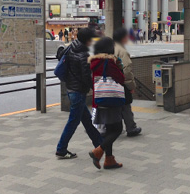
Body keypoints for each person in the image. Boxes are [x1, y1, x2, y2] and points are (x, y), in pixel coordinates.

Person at [56, 28, 103, 159]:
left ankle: (100, 144)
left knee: (87, 120)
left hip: (71, 89)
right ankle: (61, 149)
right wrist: (95, 89)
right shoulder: (83, 55)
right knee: (73, 122)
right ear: (87, 40)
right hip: (78, 92)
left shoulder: (72, 47)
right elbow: (86, 77)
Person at [88, 37, 125, 170]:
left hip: (100, 99)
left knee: (109, 129)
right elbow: (121, 78)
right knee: (118, 129)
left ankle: (109, 160)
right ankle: (98, 151)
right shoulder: (109, 62)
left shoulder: (94, 62)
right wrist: (120, 67)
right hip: (112, 100)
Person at [113, 28, 142, 137]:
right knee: (126, 106)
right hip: (121, 83)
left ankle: (116, 128)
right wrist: (131, 86)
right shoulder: (122, 51)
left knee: (115, 107)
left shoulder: (110, 48)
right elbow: (127, 70)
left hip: (110, 83)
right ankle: (131, 128)